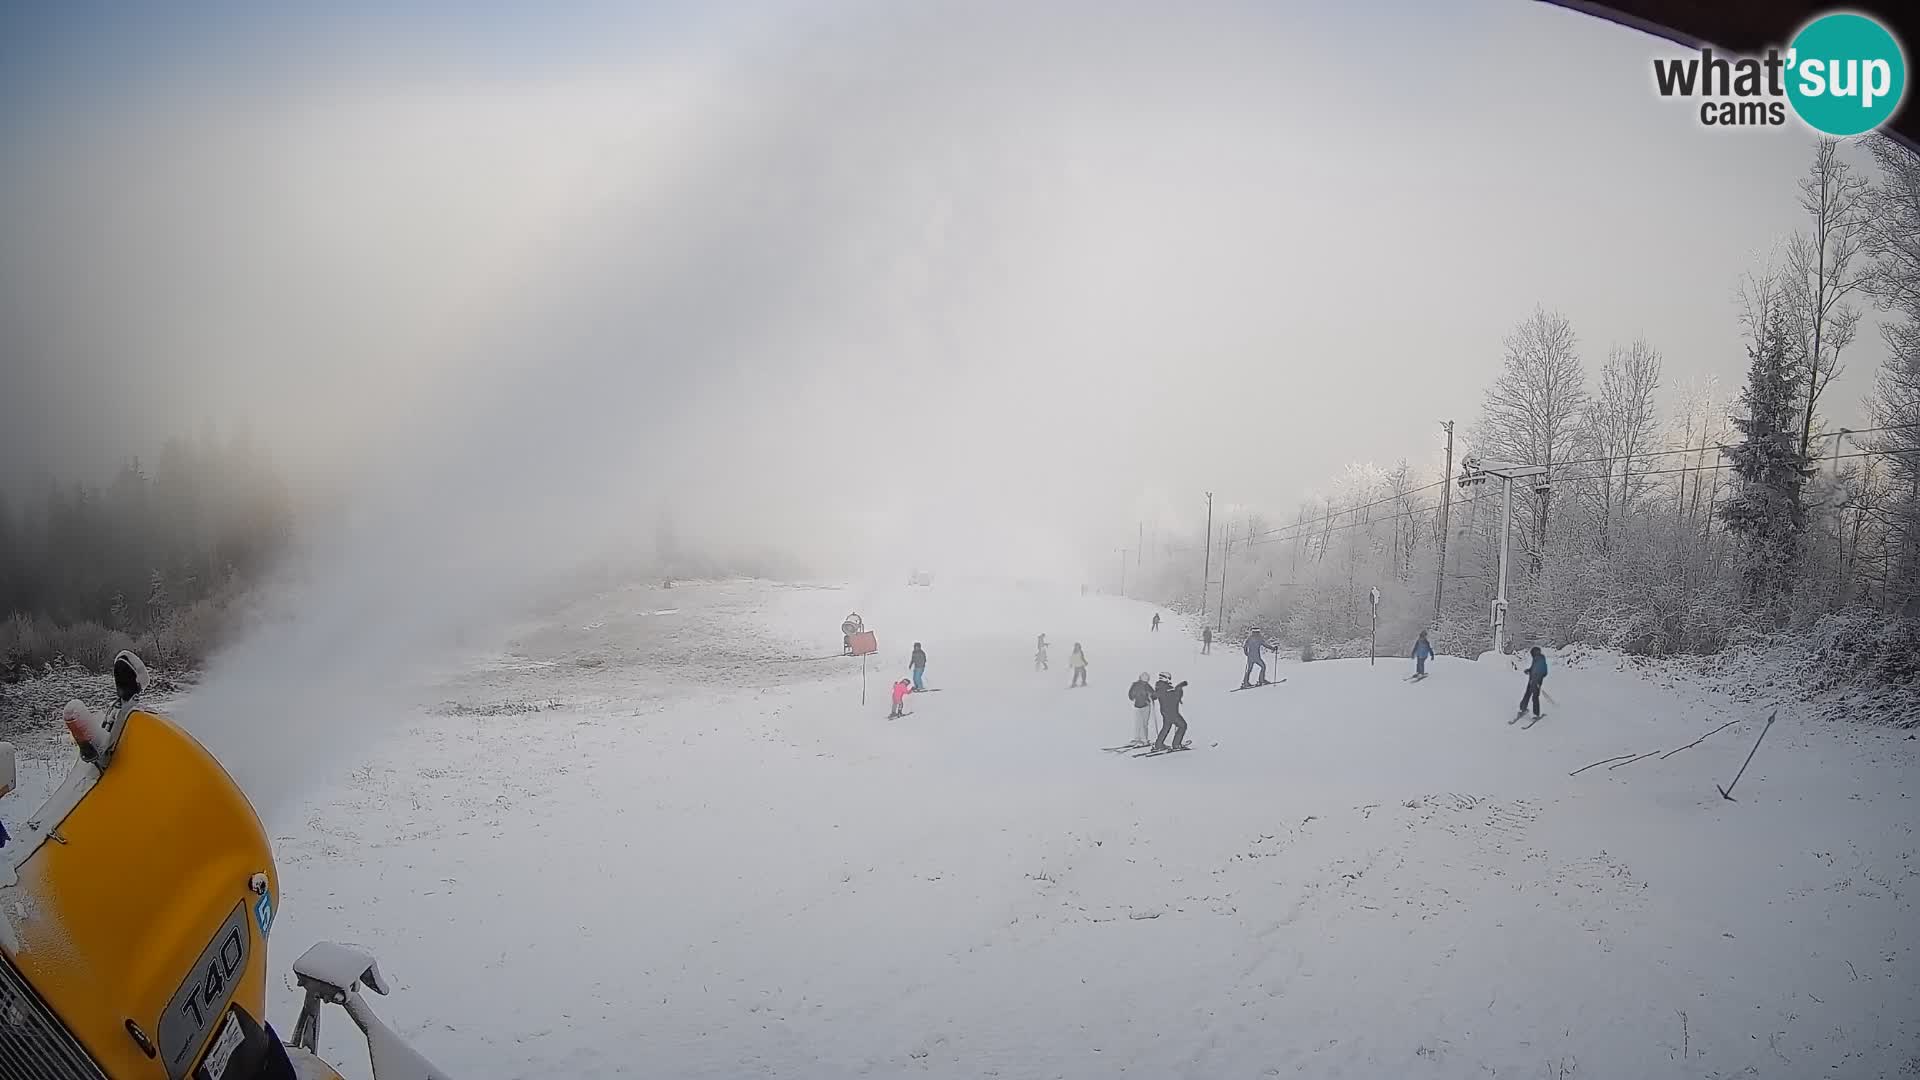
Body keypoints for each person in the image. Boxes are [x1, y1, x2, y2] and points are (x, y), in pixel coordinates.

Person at [1151, 672, 1189, 750]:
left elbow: (1174, 697)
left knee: (1166, 727)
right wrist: (1179, 688)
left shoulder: (1162, 686)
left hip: (1167, 711)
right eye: (1169, 678)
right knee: (1182, 725)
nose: (1169, 680)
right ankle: (1176, 744)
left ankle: (1158, 744)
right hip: (1171, 711)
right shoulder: (1163, 687)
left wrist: (1178, 689)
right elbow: (1174, 697)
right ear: (1165, 678)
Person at [1517, 646, 1548, 719]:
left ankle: (1536, 714)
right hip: (1531, 680)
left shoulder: (1541, 659)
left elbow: (1544, 672)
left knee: (1535, 697)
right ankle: (1523, 709)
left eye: (1532, 653)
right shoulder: (1536, 659)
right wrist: (1529, 670)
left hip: (1537, 681)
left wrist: (1537, 679)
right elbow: (1533, 669)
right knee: (1527, 694)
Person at [1127, 671, 1155, 745]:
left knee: (1139, 723)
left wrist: (1150, 696)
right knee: (1143, 723)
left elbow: (1130, 695)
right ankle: (1142, 739)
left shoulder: (1137, 685)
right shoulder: (1145, 685)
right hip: (1143, 706)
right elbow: (1130, 695)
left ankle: (1139, 739)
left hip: (1140, 706)